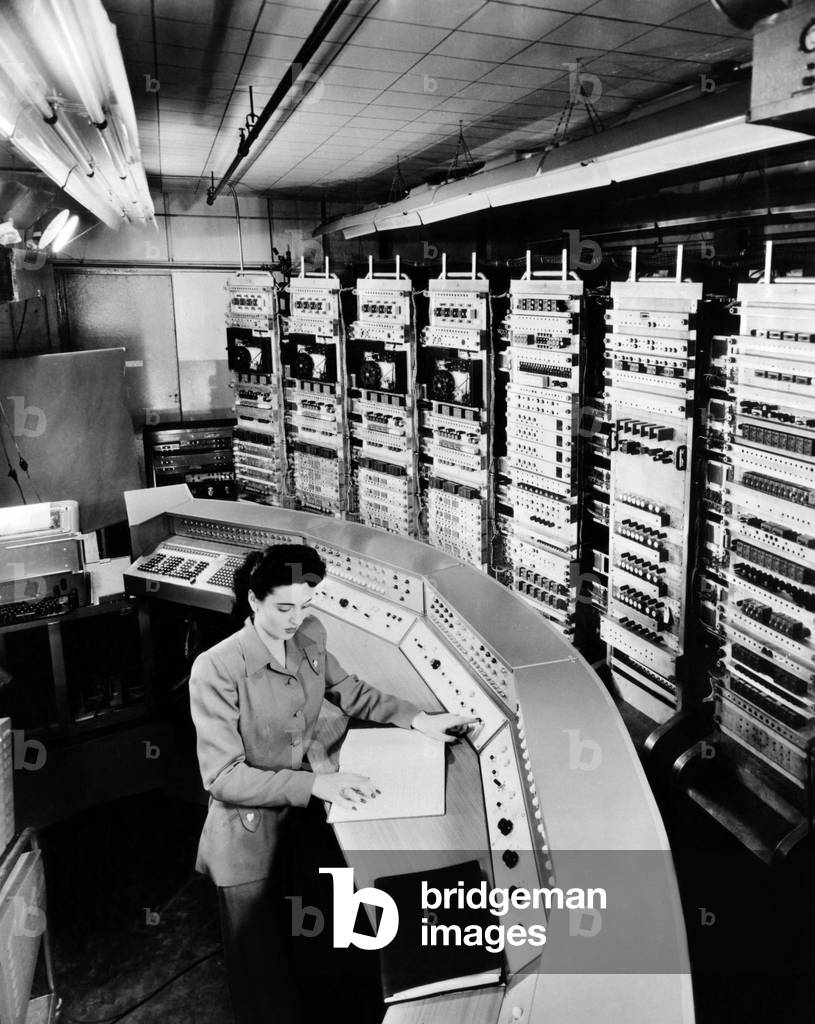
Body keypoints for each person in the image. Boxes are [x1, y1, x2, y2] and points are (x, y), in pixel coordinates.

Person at [189, 542, 474, 1023]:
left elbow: (350, 691)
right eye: (283, 608)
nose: (296, 619)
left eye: (306, 605)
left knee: (318, 960)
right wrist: (317, 786)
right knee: (264, 986)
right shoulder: (216, 668)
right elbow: (223, 777)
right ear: (254, 601)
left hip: (302, 823)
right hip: (247, 836)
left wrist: (419, 719)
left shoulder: (310, 637)